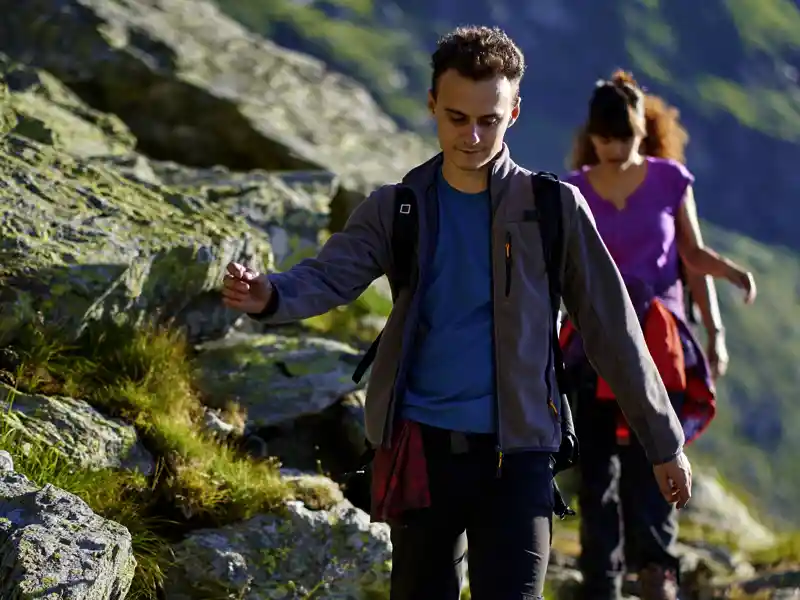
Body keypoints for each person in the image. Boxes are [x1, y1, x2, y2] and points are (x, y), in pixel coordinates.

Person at [222, 27, 693, 600]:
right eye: (456, 117)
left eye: (488, 120)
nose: (471, 135)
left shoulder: (553, 209)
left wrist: (662, 443)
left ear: (514, 113)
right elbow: (328, 275)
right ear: (432, 106)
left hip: (518, 456)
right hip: (421, 450)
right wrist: (269, 294)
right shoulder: (398, 208)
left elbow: (612, 330)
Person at [560, 70, 757, 600]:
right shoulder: (573, 190)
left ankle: (656, 572)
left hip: (661, 341)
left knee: (657, 455)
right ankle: (600, 578)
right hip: (592, 340)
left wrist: (719, 315)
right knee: (597, 466)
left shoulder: (671, 180)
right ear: (591, 136)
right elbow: (561, 267)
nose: (612, 148)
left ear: (640, 131)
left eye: (622, 138)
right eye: (603, 139)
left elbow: (691, 258)